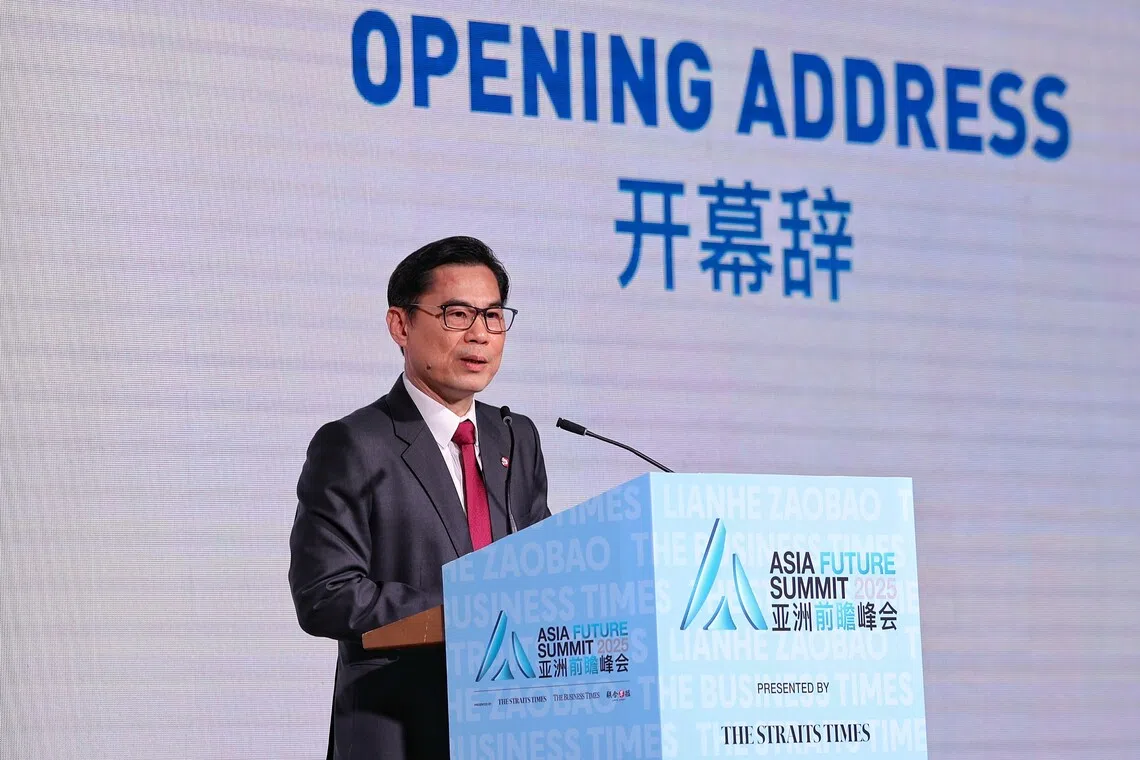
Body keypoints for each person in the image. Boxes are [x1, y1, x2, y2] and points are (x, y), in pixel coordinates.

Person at [289, 236, 550, 760]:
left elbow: (543, 565)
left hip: (512, 724)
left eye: (494, 316)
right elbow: (326, 594)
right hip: (400, 728)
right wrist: (469, 609)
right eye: (457, 314)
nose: (480, 334)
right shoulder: (354, 443)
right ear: (401, 325)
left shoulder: (515, 437)